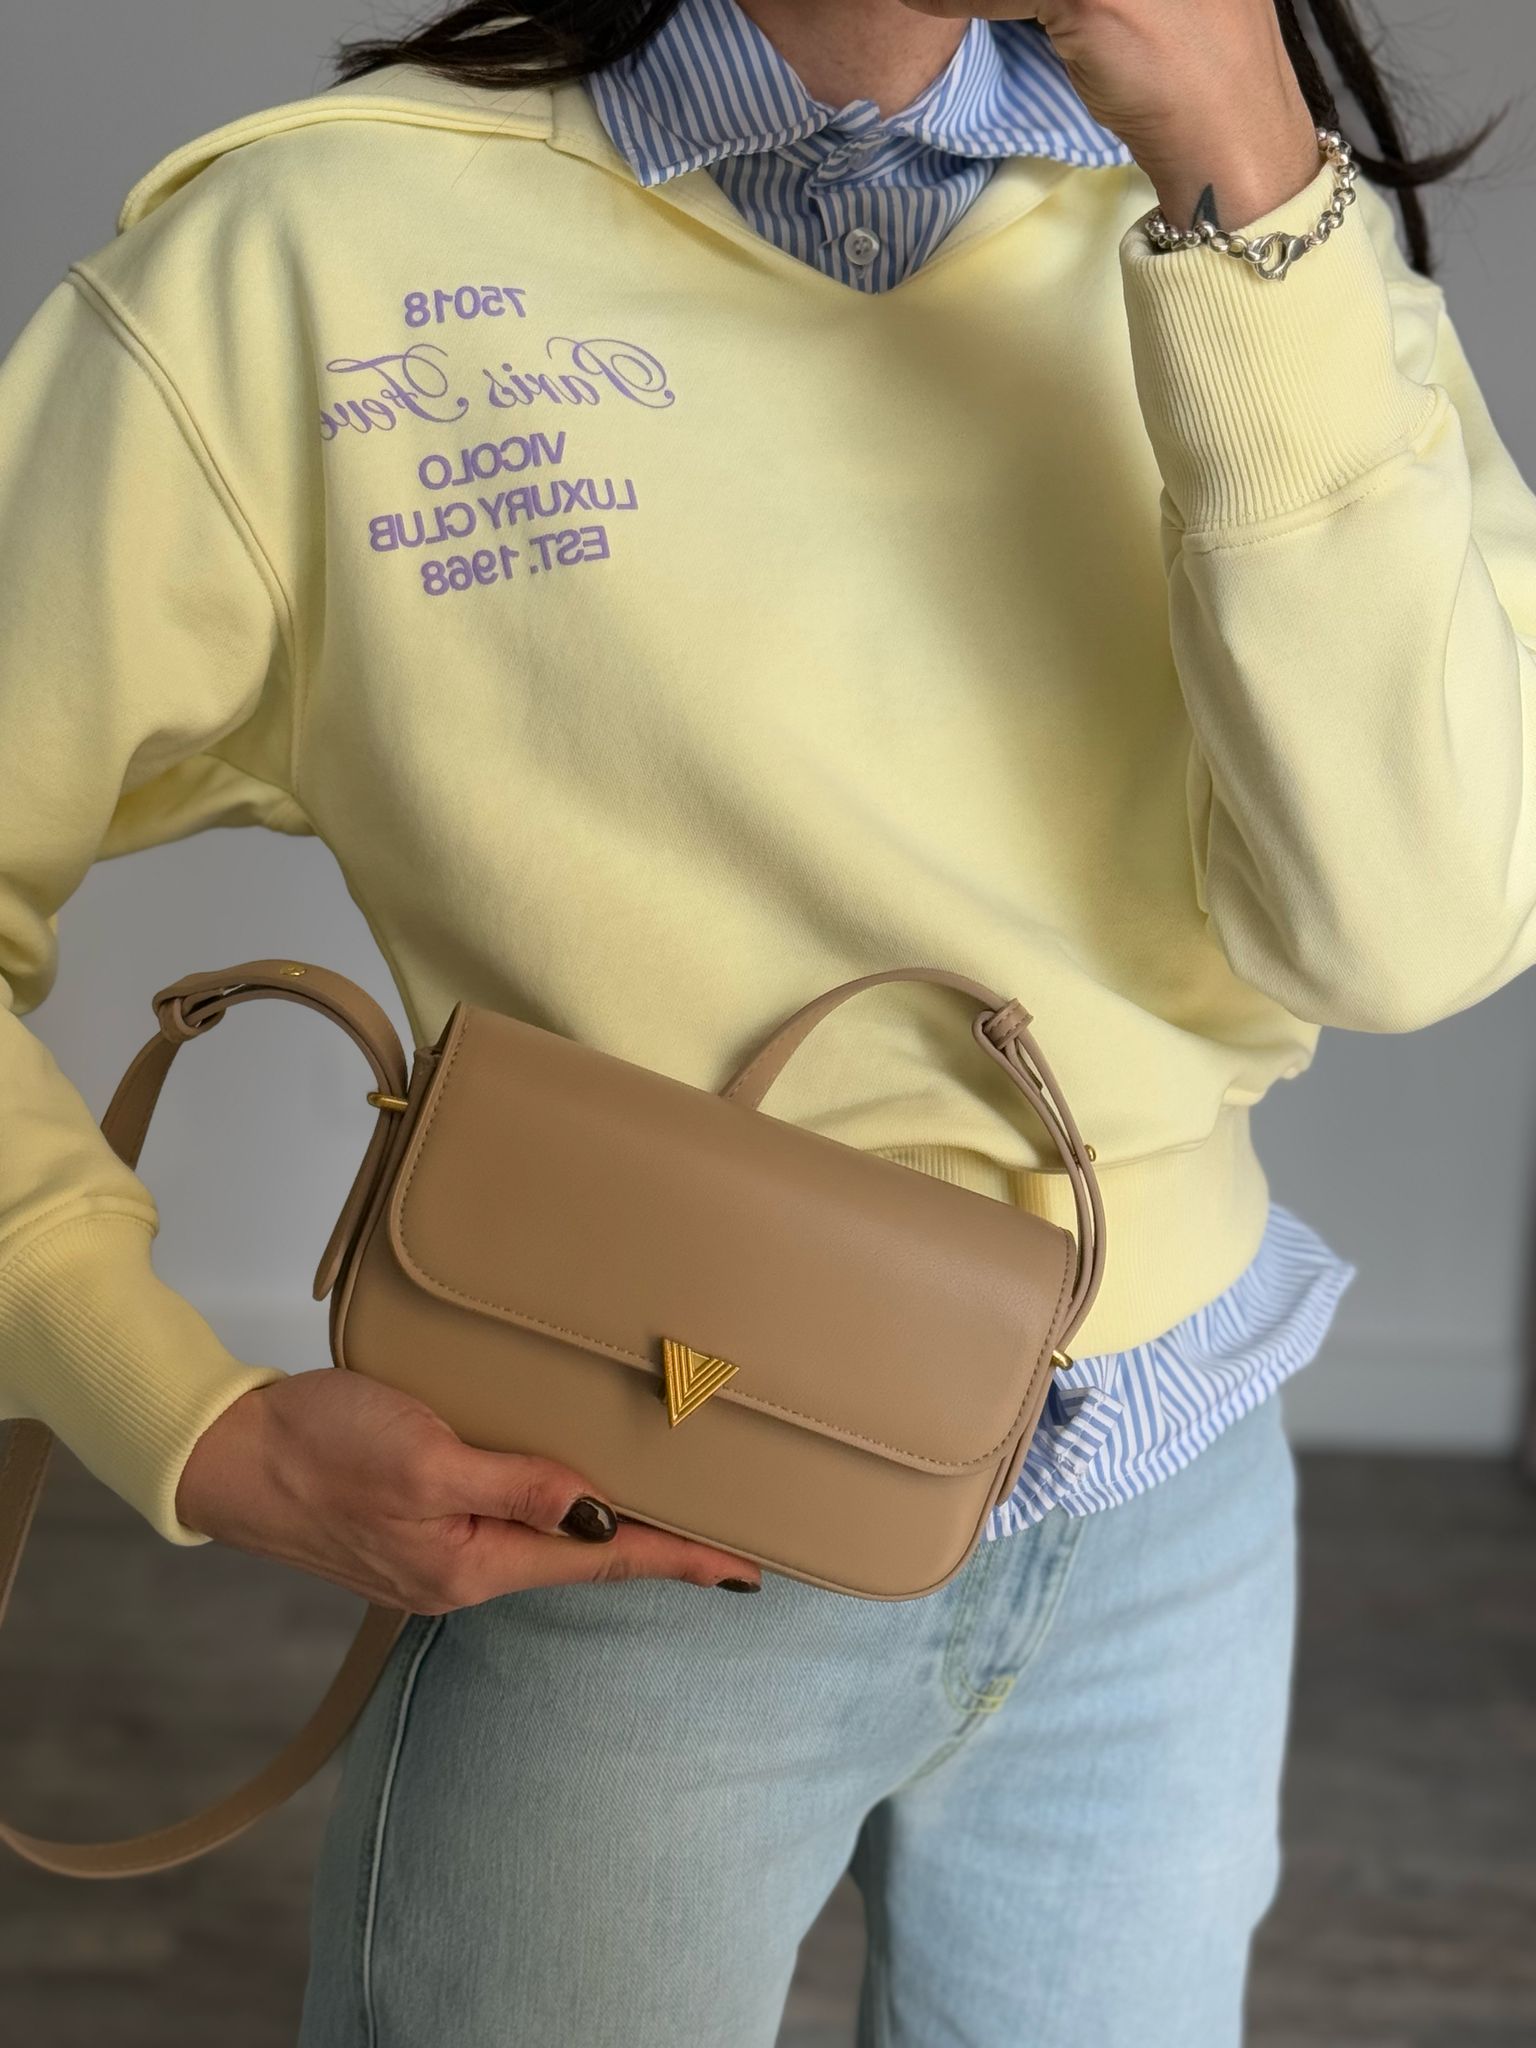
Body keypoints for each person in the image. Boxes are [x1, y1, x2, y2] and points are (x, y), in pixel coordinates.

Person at [0, 1, 1531, 2040]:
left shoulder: (1260, 219)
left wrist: (1250, 181)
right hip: (637, 1501)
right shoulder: (304, 259)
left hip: (1176, 1493)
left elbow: (1409, 934)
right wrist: (183, 1418)